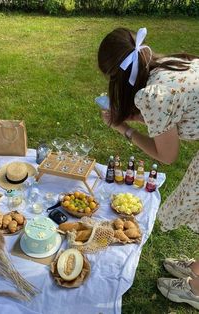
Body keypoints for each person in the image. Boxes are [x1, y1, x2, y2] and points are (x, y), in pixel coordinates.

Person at [98, 27, 199, 309]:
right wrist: (144, 120)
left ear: (116, 77)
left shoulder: (153, 96)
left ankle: (196, 289)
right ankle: (197, 270)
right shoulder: (170, 63)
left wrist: (125, 129)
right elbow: (177, 113)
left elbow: (166, 155)